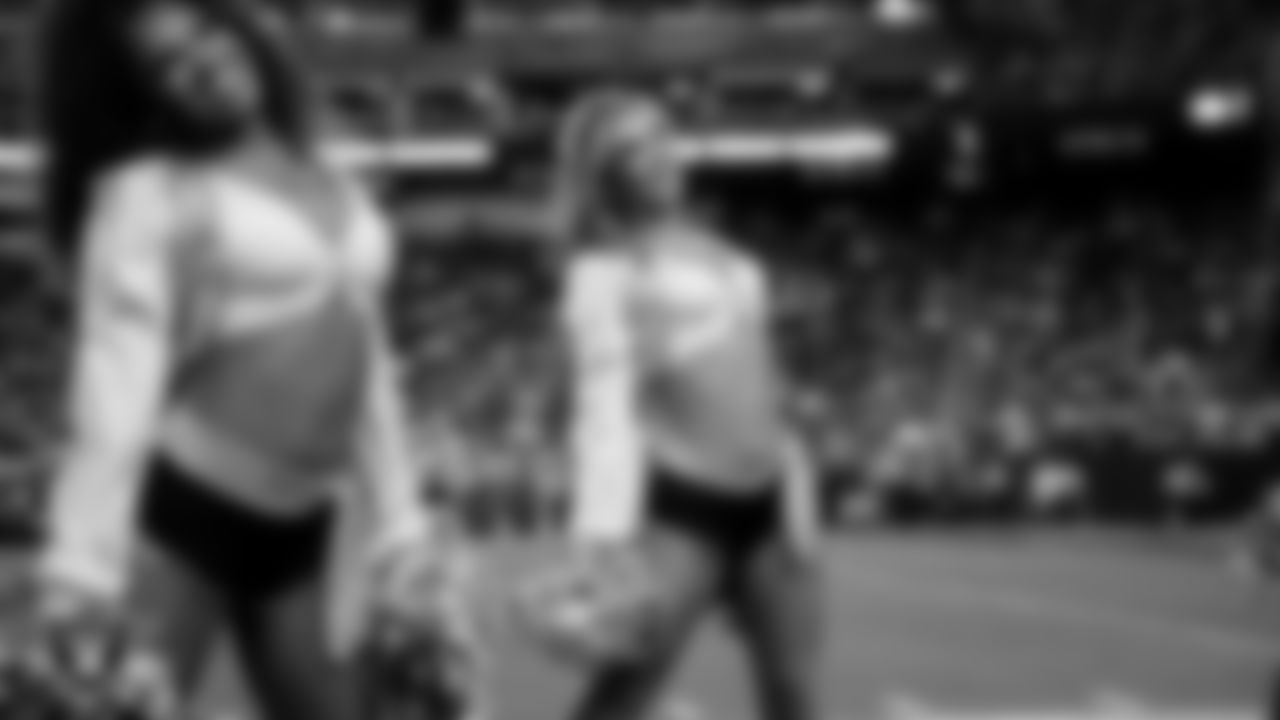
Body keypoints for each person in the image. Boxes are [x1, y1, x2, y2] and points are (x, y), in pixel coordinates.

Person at [30, 0, 466, 718]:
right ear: (140, 95)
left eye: (205, 30)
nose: (200, 61)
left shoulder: (339, 186)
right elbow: (114, 393)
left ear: (238, 23)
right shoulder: (147, 195)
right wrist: (81, 571)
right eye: (165, 64)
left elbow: (373, 376)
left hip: (303, 530)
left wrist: (401, 530)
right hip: (182, 520)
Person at [546, 88, 824, 720]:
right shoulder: (601, 273)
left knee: (796, 693)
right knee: (623, 696)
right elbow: (603, 412)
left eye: (662, 137)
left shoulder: (730, 258)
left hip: (771, 506)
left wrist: (798, 482)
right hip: (684, 513)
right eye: (632, 149)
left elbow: (764, 383)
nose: (658, 156)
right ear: (604, 174)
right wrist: (600, 538)